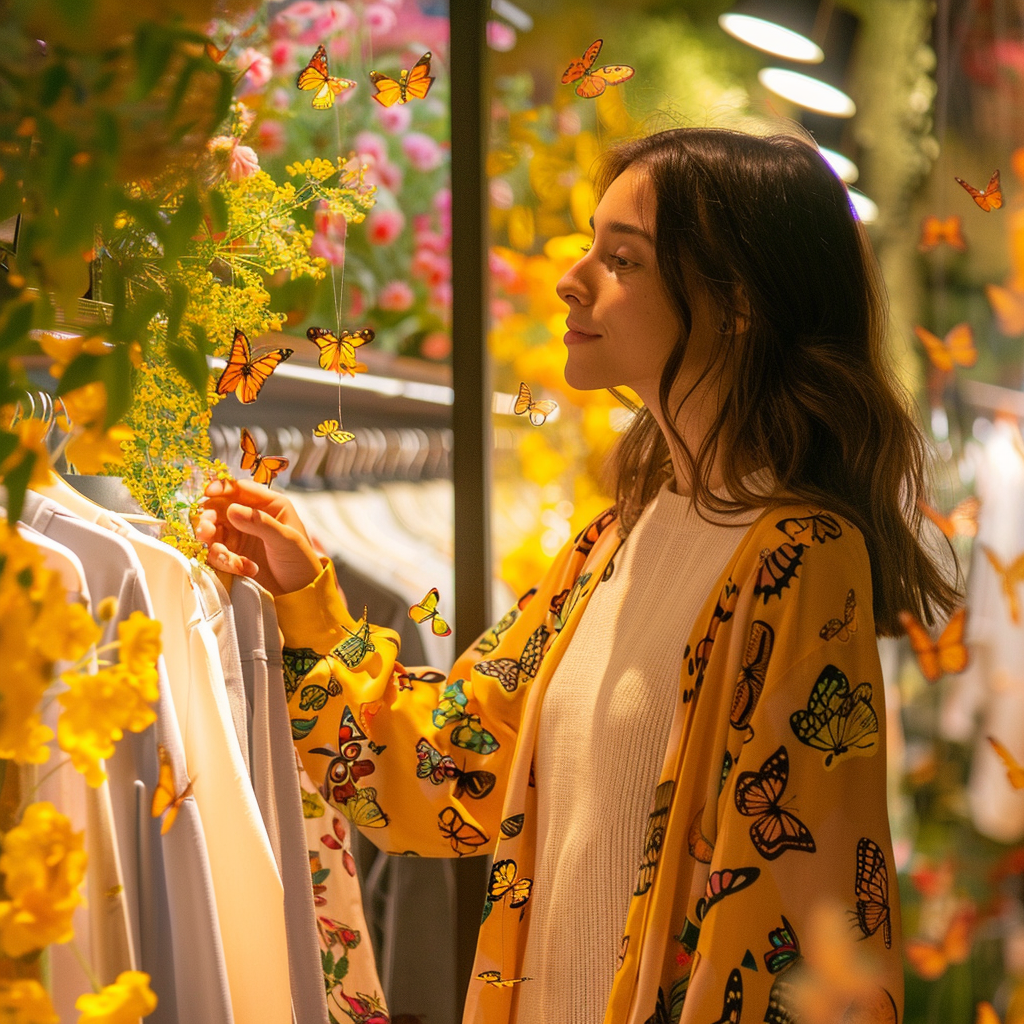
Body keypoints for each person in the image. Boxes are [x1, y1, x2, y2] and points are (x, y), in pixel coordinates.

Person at [197, 126, 960, 1024]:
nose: (572, 277)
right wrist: (305, 596)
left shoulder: (799, 558)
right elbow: (449, 769)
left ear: (738, 301)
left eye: (621, 258)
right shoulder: (617, 540)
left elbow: (795, 938)